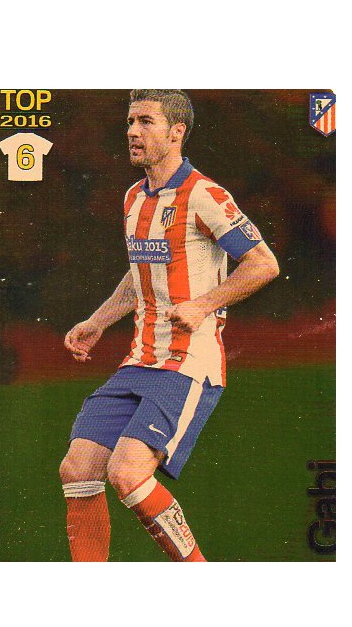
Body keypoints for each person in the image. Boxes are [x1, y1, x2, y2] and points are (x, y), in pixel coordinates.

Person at [60, 89, 279, 562]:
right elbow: (139, 274)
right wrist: (97, 321)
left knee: (126, 473)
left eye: (146, 122)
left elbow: (263, 264)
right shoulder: (133, 197)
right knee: (77, 469)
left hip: (188, 362)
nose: (132, 132)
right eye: (130, 122)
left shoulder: (204, 194)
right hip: (139, 360)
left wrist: (203, 305)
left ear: (177, 132)